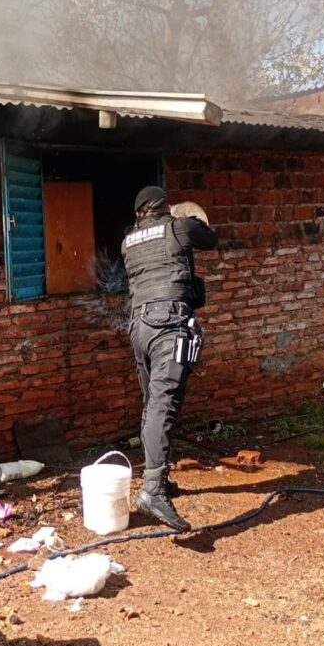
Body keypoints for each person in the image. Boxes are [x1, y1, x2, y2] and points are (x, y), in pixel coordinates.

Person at [121, 185, 217, 532]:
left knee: (153, 404)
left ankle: (159, 477)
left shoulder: (128, 241)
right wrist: (184, 217)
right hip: (169, 323)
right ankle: (153, 490)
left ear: (139, 214)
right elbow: (211, 238)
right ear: (166, 207)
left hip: (140, 326)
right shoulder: (180, 225)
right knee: (165, 405)